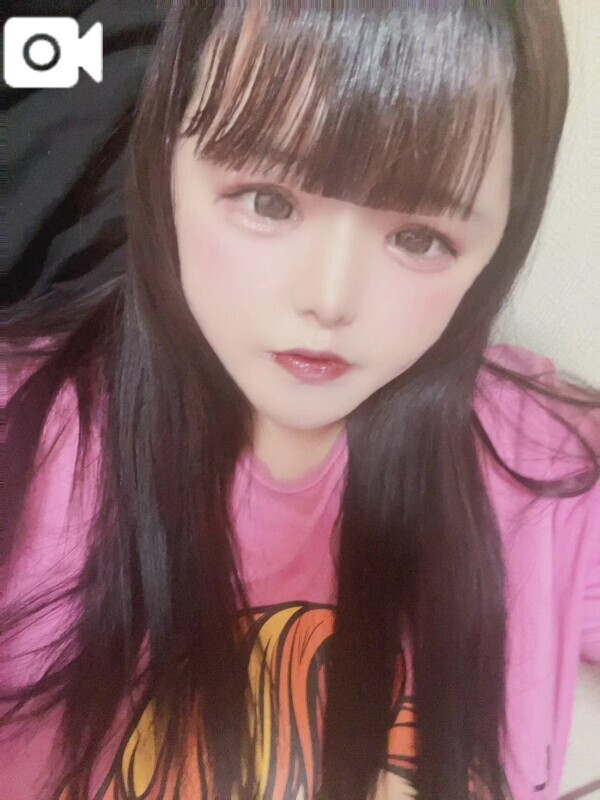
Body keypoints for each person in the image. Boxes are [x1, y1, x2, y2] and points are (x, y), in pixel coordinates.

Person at [1, 3, 599, 799]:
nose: (330, 298)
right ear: (164, 163)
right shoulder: (22, 439)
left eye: (419, 238)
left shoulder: (548, 463)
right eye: (268, 201)